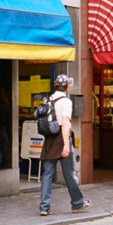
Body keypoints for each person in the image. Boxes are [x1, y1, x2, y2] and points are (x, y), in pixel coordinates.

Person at [38, 74, 90, 216]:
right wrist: (66, 145)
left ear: (56, 85)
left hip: (49, 139)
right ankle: (77, 203)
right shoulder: (66, 102)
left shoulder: (49, 99)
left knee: (48, 173)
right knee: (69, 173)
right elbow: (65, 124)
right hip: (61, 139)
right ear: (67, 86)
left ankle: (44, 207)